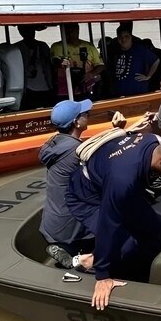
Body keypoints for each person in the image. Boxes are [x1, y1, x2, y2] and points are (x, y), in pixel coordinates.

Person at [69, 133, 161, 310]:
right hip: (88, 197)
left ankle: (104, 261)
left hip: (119, 186)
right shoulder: (122, 178)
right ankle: (90, 263)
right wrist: (103, 276)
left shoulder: (157, 143)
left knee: (152, 231)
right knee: (124, 242)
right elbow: (108, 224)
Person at [39, 99, 94, 271]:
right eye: (84, 114)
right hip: (70, 225)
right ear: (76, 122)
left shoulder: (55, 143)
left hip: (52, 222)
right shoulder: (76, 152)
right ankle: (76, 256)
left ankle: (65, 247)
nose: (88, 115)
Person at [51, 23, 103, 101]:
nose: (69, 34)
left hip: (86, 87)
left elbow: (101, 65)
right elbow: (55, 60)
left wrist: (91, 74)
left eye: (71, 31)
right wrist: (61, 62)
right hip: (66, 88)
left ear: (77, 30)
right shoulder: (57, 46)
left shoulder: (89, 46)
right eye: (66, 32)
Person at [107, 23, 159, 97]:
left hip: (138, 93)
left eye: (126, 36)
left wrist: (148, 76)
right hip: (119, 94)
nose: (123, 39)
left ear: (131, 37)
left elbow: (156, 60)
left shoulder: (139, 49)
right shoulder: (115, 51)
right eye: (120, 37)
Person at [13, 25, 54, 110]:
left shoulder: (42, 46)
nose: (30, 34)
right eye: (26, 31)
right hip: (27, 88)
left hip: (45, 86)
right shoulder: (17, 48)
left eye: (31, 31)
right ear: (21, 33)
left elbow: (49, 64)